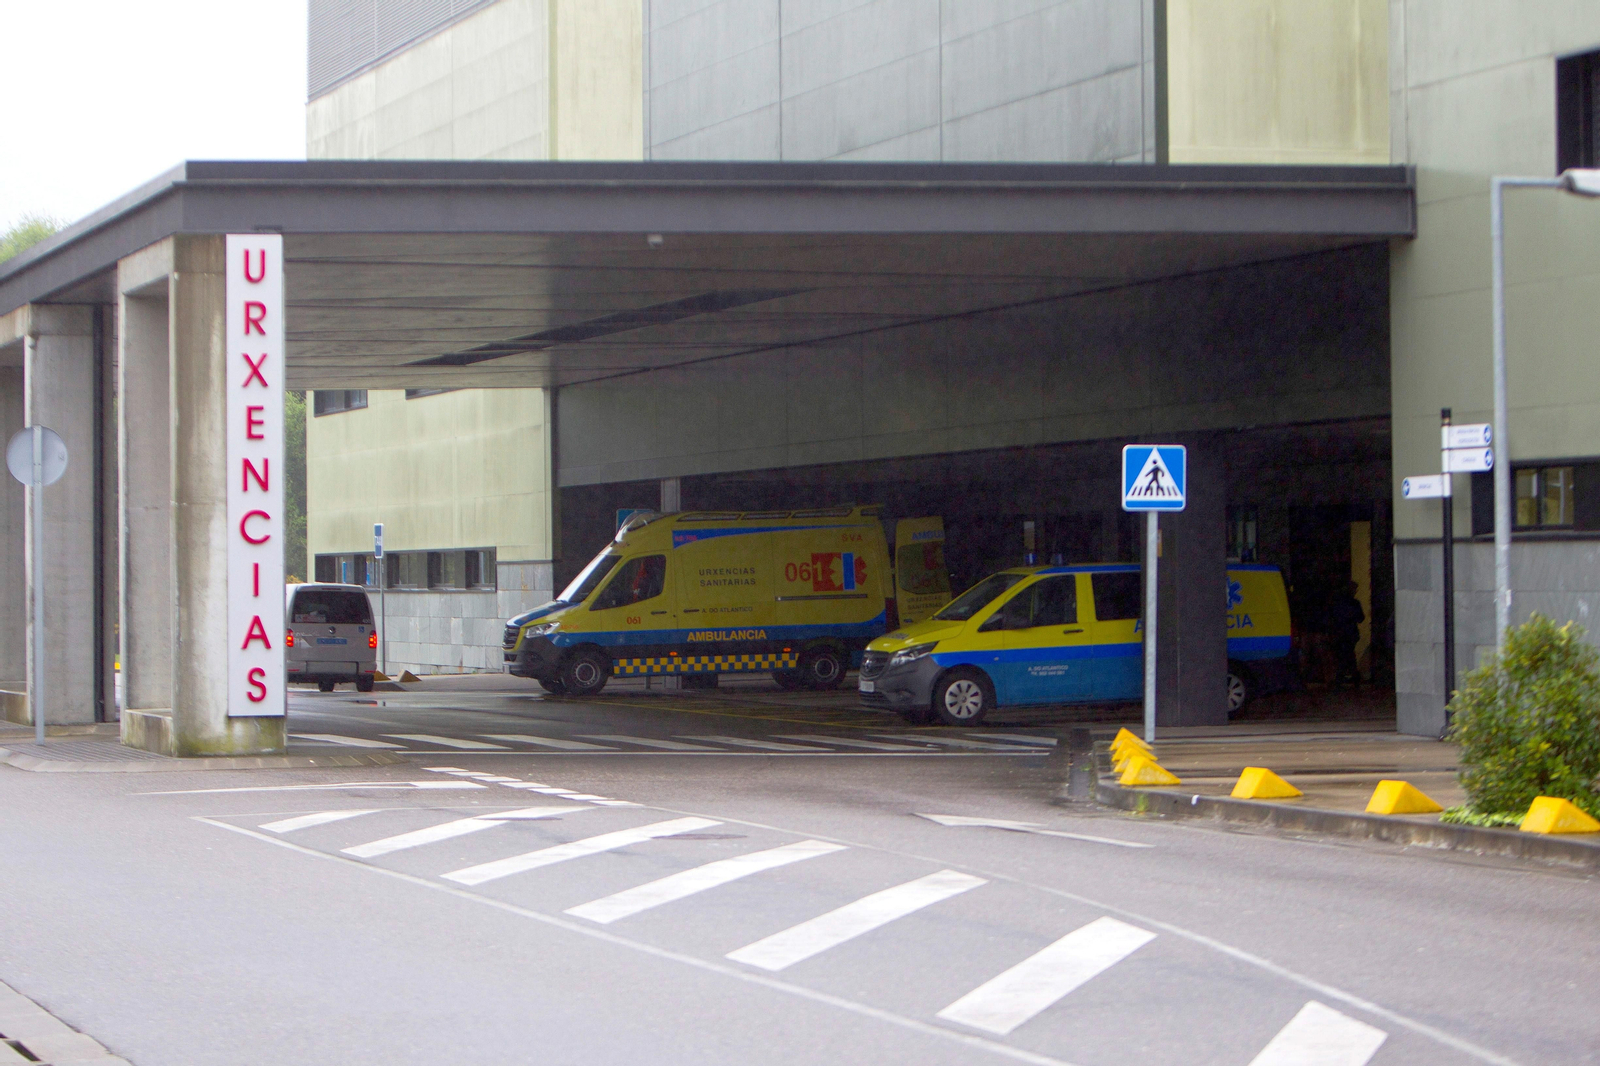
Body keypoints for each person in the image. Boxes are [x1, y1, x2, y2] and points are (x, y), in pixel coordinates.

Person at [1329, 581, 1366, 687]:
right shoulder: (1354, 603)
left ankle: (1343, 677)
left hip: (1341, 633)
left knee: (1344, 655)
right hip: (1349, 633)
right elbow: (1361, 618)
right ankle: (1351, 677)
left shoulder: (1337, 603)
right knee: (1348, 655)